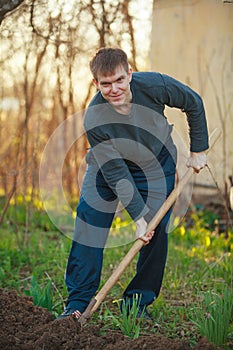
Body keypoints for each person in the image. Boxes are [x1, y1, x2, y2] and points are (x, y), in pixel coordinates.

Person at [58, 47, 208, 320]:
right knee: (89, 221)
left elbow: (193, 102)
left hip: (155, 162)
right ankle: (77, 303)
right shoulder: (94, 117)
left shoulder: (154, 85)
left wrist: (198, 148)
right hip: (110, 168)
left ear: (129, 74)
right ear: (96, 84)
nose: (113, 88)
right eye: (105, 84)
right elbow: (116, 173)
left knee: (156, 229)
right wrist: (137, 214)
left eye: (118, 80)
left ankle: (136, 303)